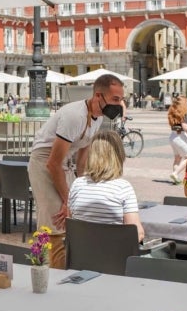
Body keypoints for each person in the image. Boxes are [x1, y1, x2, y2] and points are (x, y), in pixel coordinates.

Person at [27, 74, 125, 269]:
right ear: (99, 96)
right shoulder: (75, 116)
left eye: (121, 99)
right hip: (44, 162)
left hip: (61, 163)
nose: (120, 104)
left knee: (72, 216)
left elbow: (82, 157)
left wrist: (81, 187)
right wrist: (67, 200)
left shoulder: (97, 118)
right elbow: (52, 164)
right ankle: (47, 268)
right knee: (55, 219)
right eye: (116, 99)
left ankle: (65, 266)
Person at [68, 130, 144, 241]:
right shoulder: (123, 188)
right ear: (119, 155)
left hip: (81, 255)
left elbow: (70, 223)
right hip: (114, 255)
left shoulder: (77, 184)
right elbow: (137, 234)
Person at [167, 96, 187, 184]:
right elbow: (185, 126)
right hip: (180, 136)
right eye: (186, 103)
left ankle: (176, 179)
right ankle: (175, 173)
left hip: (173, 136)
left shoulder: (173, 112)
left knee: (177, 158)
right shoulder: (181, 113)